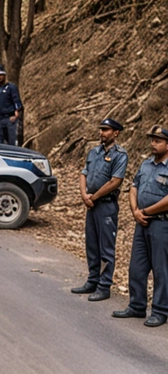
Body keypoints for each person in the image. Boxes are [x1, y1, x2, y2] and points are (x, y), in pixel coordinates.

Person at [113, 125, 168, 327]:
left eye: (158, 141)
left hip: (162, 224)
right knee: (137, 267)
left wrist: (146, 212)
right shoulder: (146, 165)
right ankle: (136, 306)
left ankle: (161, 310)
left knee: (161, 269)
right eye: (152, 140)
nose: (153, 144)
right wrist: (136, 210)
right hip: (142, 223)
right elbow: (134, 187)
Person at [71, 118, 128, 301]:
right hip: (91, 204)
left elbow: (115, 181)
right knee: (92, 244)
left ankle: (104, 286)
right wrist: (84, 195)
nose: (102, 133)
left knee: (106, 247)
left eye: (106, 130)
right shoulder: (94, 152)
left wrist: (93, 197)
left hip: (106, 205)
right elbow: (83, 173)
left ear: (116, 133)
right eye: (101, 129)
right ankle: (92, 280)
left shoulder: (120, 155)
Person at [0, 65, 22, 146]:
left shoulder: (11, 87)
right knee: (0, 142)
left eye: (1, 75)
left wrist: (16, 113)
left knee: (12, 142)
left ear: (4, 76)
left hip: (9, 118)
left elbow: (16, 100)